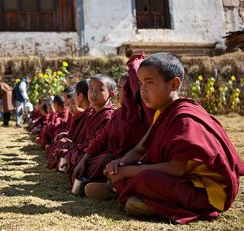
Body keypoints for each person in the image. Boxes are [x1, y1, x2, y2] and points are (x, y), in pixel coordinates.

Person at [102, 52, 244, 223]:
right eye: (140, 84)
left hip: (204, 192)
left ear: (174, 84)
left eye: (149, 82)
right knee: (137, 171)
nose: (142, 90)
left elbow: (177, 168)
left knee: (145, 178)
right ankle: (141, 198)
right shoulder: (162, 113)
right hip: (180, 181)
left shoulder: (184, 117)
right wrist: (120, 164)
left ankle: (142, 199)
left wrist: (128, 171)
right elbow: (140, 148)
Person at [73, 53, 155, 197]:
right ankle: (109, 185)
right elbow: (101, 139)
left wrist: (120, 161)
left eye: (121, 88)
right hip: (112, 162)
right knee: (90, 159)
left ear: (131, 90)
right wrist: (84, 159)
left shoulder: (143, 116)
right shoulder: (118, 114)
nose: (119, 92)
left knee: (106, 161)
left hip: (127, 162)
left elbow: (142, 151)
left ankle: (113, 187)